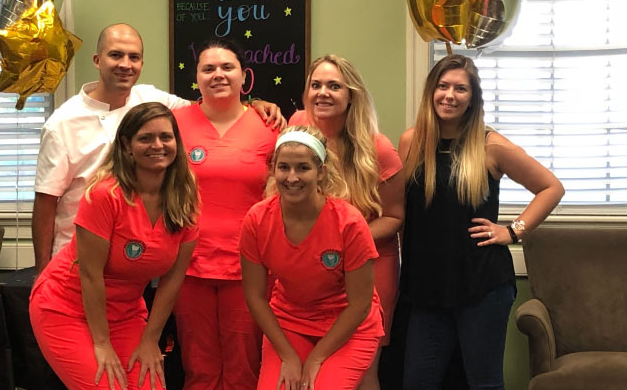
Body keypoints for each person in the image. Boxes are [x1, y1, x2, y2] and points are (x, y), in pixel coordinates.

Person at [32, 23, 283, 273]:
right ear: (98, 60)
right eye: (116, 55)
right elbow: (45, 202)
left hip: (136, 255)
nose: (125, 64)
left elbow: (209, 108)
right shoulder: (62, 123)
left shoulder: (152, 100)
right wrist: (41, 272)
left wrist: (254, 103)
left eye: (134, 57)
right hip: (76, 255)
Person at [398, 54, 564, 390]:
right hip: (426, 285)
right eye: (443, 86)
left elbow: (551, 187)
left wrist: (513, 231)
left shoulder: (491, 146)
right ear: (431, 91)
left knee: (483, 382)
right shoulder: (411, 141)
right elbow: (400, 210)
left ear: (472, 98)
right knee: (417, 382)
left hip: (482, 284)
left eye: (460, 88)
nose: (450, 95)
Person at [29, 102, 199, 390]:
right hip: (66, 307)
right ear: (127, 146)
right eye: (145, 138)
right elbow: (90, 274)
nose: (157, 145)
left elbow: (173, 280)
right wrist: (102, 343)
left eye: (166, 137)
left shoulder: (185, 200)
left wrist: (149, 340)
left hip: (125, 313)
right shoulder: (104, 195)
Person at [172, 38, 281, 390]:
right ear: (197, 78)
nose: (218, 74)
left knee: (244, 367)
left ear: (244, 75)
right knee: (198, 367)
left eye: (227, 67)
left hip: (249, 266)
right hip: (188, 265)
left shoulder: (271, 126)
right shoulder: (174, 124)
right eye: (208, 68)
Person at [289, 55, 404, 390]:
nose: (323, 93)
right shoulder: (296, 127)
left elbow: (396, 217)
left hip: (369, 267)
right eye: (316, 85)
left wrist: (346, 241)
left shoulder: (377, 148)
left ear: (351, 95)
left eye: (334, 86)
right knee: (316, 369)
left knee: (363, 371)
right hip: (312, 269)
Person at [240, 126, 384, 390]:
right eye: (284, 167)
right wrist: (287, 355)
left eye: (303, 168)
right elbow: (255, 296)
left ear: (321, 172)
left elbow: (360, 305)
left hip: (348, 326)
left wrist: (316, 358)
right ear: (273, 170)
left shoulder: (349, 223)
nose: (292, 177)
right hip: (289, 322)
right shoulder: (257, 220)